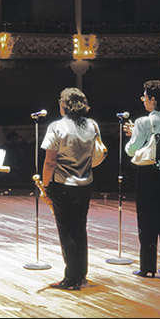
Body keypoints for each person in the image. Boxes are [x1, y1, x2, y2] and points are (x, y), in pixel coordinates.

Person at [41, 87, 103, 290]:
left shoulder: (56, 126)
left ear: (64, 105)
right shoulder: (92, 125)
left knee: (66, 232)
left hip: (62, 185)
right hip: (85, 184)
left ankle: (71, 279)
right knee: (80, 229)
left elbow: (50, 162)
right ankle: (81, 274)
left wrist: (45, 185)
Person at [123, 80, 160, 279]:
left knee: (147, 221)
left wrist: (133, 135)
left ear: (153, 99)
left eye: (145, 96)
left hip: (150, 174)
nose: (143, 99)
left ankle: (147, 267)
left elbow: (131, 149)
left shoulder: (143, 121)